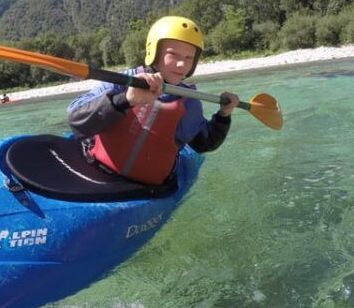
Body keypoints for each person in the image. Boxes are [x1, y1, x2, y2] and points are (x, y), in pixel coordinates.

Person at [67, 15, 239, 186]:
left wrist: (224, 115)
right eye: (173, 54)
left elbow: (204, 144)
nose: (182, 64)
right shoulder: (122, 82)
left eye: (189, 58)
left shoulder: (188, 102)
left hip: (149, 189)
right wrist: (125, 99)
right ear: (154, 52)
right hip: (96, 169)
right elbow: (76, 121)